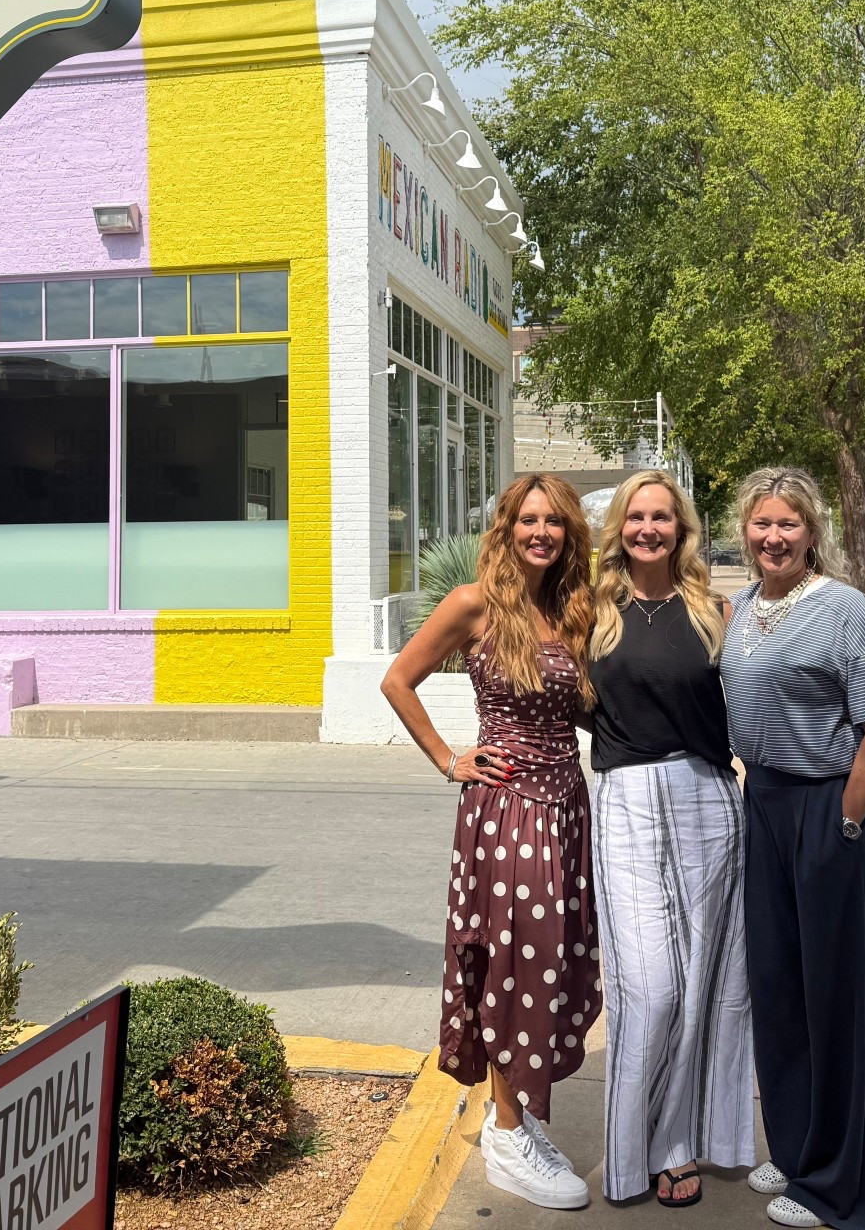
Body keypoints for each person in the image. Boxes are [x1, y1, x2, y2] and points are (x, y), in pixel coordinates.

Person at [380, 472, 602, 1212]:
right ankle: (507, 1135)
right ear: (506, 528)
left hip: (566, 806)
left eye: (554, 522)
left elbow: (590, 711)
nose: (541, 533)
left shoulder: (571, 609)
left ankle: (517, 1116)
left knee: (552, 961)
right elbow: (398, 680)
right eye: (528, 520)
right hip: (507, 811)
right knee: (514, 963)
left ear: (569, 534)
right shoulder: (474, 604)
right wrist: (450, 759)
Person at [720, 467, 865, 1230]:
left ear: (811, 532)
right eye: (762, 524)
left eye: (788, 524)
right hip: (763, 804)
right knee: (779, 988)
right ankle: (799, 1151)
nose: (773, 537)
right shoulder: (742, 607)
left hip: (831, 806)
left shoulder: (844, 608)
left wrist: (847, 822)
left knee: (838, 999)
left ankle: (843, 1189)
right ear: (745, 531)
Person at [586, 469, 754, 1208]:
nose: (648, 528)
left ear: (681, 529)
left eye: (662, 517)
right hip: (626, 801)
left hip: (707, 800)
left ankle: (679, 1146)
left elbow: (759, 697)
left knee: (704, 988)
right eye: (636, 517)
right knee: (649, 990)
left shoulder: (715, 611)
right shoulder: (591, 611)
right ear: (619, 528)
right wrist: (462, 755)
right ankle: (630, 1152)